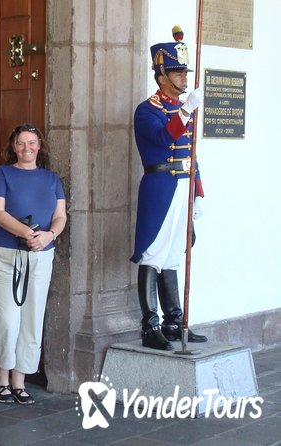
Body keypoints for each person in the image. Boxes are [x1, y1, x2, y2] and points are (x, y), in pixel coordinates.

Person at [131, 26, 208, 351]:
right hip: (160, 187)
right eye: (177, 72)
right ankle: (150, 326)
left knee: (175, 254)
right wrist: (187, 110)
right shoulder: (147, 110)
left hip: (182, 187)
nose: (183, 77)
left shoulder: (182, 107)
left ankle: (173, 322)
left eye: (184, 72)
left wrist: (198, 193)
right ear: (161, 75)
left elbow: (191, 153)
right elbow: (164, 138)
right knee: (153, 253)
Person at [0, 124, 67, 405]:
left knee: (32, 319)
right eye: (21, 143)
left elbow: (61, 216)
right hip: (4, 254)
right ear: (13, 146)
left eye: (32, 143)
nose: (26, 148)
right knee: (7, 320)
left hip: (41, 255)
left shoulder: (52, 179)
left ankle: (19, 381)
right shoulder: (3, 174)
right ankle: (2, 379)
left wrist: (49, 236)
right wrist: (28, 233)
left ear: (39, 146)